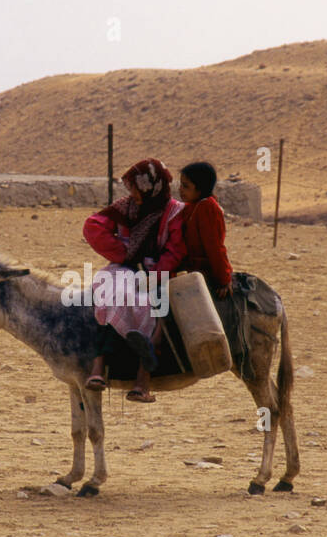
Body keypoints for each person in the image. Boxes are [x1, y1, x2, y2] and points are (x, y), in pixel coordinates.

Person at [82, 158, 186, 403]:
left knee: (155, 307)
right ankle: (98, 369)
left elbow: (176, 250)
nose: (133, 194)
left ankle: (143, 380)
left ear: (153, 186)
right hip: (126, 267)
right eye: (131, 189)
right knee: (110, 294)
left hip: (159, 271)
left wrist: (154, 273)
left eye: (137, 189)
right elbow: (93, 227)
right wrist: (124, 254)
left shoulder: (175, 212)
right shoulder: (125, 207)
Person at [176, 161, 234, 298]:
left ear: (200, 189)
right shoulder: (191, 206)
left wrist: (223, 280)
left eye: (186, 186)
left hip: (203, 272)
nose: (180, 189)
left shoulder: (207, 208)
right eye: (181, 185)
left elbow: (214, 247)